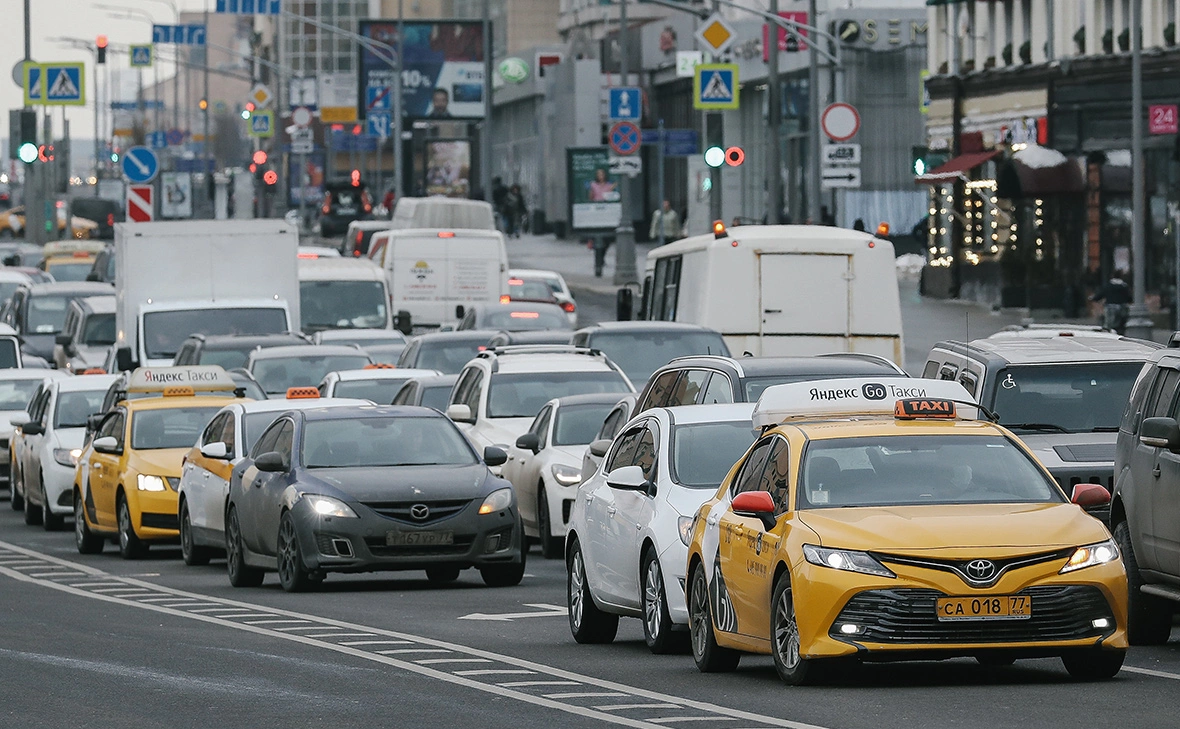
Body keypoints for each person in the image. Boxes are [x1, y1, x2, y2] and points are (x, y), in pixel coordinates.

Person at [1091, 270, 1132, 334]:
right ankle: (1120, 333)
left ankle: (1110, 333)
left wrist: (1094, 298)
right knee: (1121, 323)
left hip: (1110, 306)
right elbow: (1129, 298)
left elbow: (1101, 294)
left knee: (1109, 324)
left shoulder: (1108, 286)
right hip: (1122, 306)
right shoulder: (1124, 286)